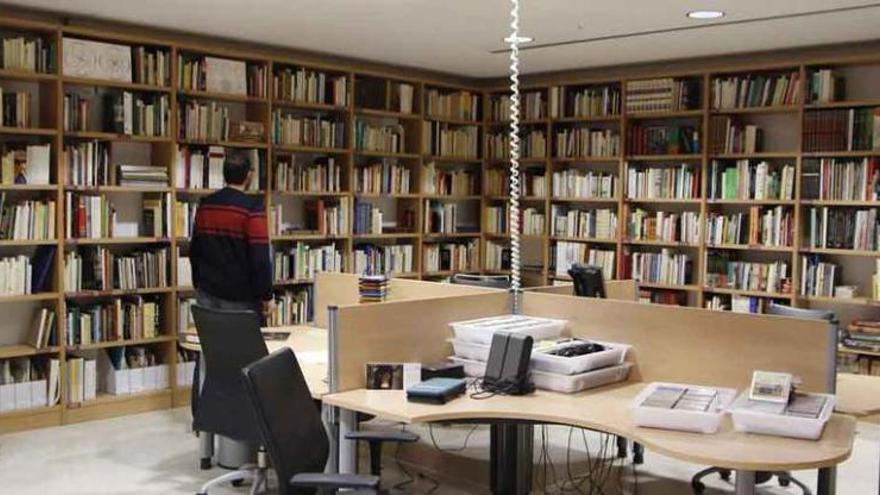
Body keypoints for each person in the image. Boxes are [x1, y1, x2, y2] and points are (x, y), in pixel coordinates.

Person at [190, 151, 274, 321]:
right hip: (241, 299)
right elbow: (260, 259)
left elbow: (194, 250)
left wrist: (198, 283)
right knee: (242, 347)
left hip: (207, 293)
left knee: (212, 346)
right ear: (248, 175)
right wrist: (266, 296)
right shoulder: (252, 209)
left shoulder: (205, 206)